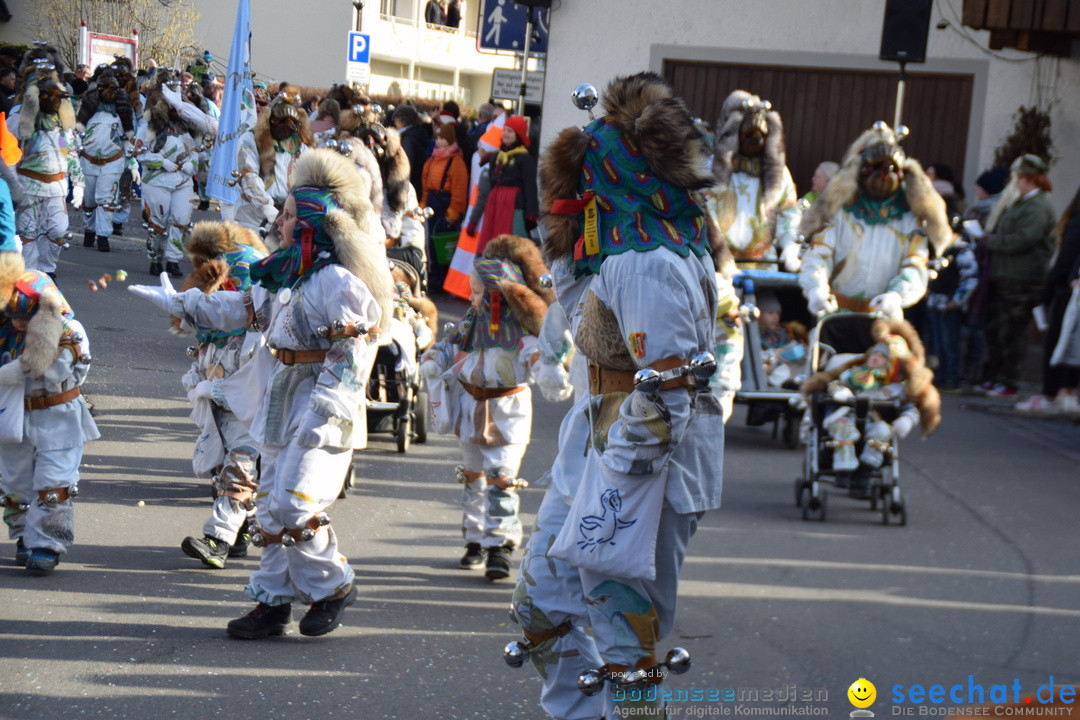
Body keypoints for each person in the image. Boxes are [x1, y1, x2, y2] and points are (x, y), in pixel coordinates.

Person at [508, 72, 724, 719]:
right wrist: (564, 249)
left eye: (587, 176)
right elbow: (585, 328)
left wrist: (619, 477)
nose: (579, 192)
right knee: (542, 605)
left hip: (639, 471)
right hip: (596, 447)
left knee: (627, 641)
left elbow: (669, 392)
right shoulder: (624, 251)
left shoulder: (652, 262)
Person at [130, 148, 395, 639]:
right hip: (283, 395)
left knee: (297, 504)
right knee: (271, 505)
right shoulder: (283, 273)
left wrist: (327, 411)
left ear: (315, 222)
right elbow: (238, 311)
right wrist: (182, 302)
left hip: (321, 403)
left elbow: (355, 353)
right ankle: (273, 602)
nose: (281, 219)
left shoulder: (337, 281)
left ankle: (333, 585)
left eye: (291, 214)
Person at [420, 235, 552, 579]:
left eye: (477, 292)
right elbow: (449, 342)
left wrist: (545, 369)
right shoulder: (473, 322)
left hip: (508, 412)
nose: (471, 298)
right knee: (473, 477)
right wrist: (434, 358)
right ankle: (475, 539)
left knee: (501, 479)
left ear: (497, 294)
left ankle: (500, 546)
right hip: (470, 408)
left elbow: (534, 354)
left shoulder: (521, 331)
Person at [0, 231, 99, 575]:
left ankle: (47, 545)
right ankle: (25, 536)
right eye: (14, 316)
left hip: (57, 414)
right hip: (14, 416)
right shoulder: (6, 331)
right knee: (15, 484)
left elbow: (53, 370)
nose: (20, 324)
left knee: (52, 483)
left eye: (27, 316)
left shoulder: (69, 331)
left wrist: (14, 370)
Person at [175, 221, 268, 569]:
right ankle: (241, 532)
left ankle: (217, 541)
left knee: (239, 467)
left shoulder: (256, 331)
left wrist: (212, 388)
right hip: (219, 406)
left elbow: (250, 382)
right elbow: (206, 346)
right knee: (221, 470)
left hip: (245, 408)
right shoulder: (218, 327)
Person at [798, 121, 951, 321]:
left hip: (884, 318)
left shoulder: (910, 215)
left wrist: (896, 296)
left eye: (890, 169)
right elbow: (818, 254)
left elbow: (915, 265)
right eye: (876, 168)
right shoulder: (841, 207)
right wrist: (815, 288)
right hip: (834, 315)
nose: (884, 175)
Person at [800, 318, 941, 497]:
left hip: (875, 421)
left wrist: (906, 420)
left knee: (882, 430)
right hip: (848, 416)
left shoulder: (896, 388)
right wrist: (840, 391)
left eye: (882, 356)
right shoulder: (853, 373)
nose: (875, 357)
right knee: (843, 427)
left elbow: (909, 406)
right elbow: (835, 383)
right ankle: (844, 470)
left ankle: (864, 473)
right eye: (874, 353)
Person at [975, 154, 1056, 397]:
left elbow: (1025, 239)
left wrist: (991, 241)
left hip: (1023, 279)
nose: (1015, 182)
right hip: (1005, 276)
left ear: (1031, 178)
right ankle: (994, 376)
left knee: (1013, 332)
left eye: (1019, 178)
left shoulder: (1039, 206)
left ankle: (1009, 381)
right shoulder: (1021, 202)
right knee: (995, 328)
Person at [703, 90, 802, 271]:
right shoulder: (712, 168)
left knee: (769, 301)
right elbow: (706, 211)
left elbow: (788, 211)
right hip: (719, 266)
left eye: (761, 137)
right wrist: (719, 253)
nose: (755, 141)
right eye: (748, 136)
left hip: (764, 263)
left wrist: (789, 245)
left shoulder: (779, 173)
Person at [9, 62, 83, 279]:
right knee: (27, 232)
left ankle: (47, 270)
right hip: (28, 186)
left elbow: (68, 151)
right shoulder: (20, 116)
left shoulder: (62, 122)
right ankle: (31, 277)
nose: (54, 101)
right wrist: (12, 182)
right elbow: (10, 150)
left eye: (57, 96)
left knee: (58, 230)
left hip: (57, 186)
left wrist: (79, 182)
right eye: (49, 96)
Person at [1014, 185, 1080, 413]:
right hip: (1072, 288)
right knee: (1072, 343)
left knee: (1058, 340)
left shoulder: (1076, 218)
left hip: (1068, 290)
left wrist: (1049, 291)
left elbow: (1066, 257)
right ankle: (1068, 393)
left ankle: (1051, 395)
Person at [136, 71, 204, 277]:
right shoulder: (149, 126)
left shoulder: (185, 126)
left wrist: (191, 164)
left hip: (182, 182)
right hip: (157, 181)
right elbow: (137, 152)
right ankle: (155, 258)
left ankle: (173, 259)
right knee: (158, 222)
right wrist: (161, 162)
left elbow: (194, 150)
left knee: (181, 220)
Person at [75, 67, 136, 253]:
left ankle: (103, 236)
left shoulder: (123, 110)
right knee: (90, 199)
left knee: (106, 199)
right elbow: (76, 132)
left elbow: (128, 138)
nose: (109, 90)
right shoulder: (85, 107)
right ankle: (89, 230)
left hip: (112, 161)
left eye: (112, 87)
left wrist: (132, 163)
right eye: (105, 87)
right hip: (88, 160)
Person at [464, 115, 537, 251]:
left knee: (513, 245)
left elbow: (530, 187)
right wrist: (474, 219)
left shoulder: (525, 159)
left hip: (514, 205)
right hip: (495, 203)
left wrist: (530, 214)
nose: (505, 134)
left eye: (510, 131)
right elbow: (487, 188)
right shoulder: (496, 157)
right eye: (504, 130)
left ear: (518, 134)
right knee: (493, 242)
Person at [924, 230, 977, 393]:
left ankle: (952, 380)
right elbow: (933, 272)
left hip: (950, 305)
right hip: (935, 303)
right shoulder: (941, 250)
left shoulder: (962, 251)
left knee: (950, 344)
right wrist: (927, 290)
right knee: (937, 344)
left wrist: (958, 300)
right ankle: (940, 378)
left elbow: (970, 277)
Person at [421, 122, 468, 289]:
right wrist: (423, 204)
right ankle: (436, 278)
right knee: (433, 243)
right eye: (437, 138)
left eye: (443, 139)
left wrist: (453, 213)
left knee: (445, 246)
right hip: (433, 202)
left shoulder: (456, 162)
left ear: (450, 140)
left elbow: (459, 189)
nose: (439, 142)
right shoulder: (432, 160)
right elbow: (426, 185)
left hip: (446, 205)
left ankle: (444, 280)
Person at [253, 90, 315, 209]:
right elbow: (250, 174)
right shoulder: (254, 140)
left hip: (290, 209)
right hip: (261, 209)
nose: (286, 125)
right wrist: (264, 204)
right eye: (280, 121)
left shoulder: (302, 147)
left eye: (290, 122)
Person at [392, 104, 428, 199]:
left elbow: (406, 162)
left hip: (409, 184)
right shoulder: (418, 133)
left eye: (396, 119)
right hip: (418, 180)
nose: (394, 122)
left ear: (403, 120)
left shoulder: (407, 138)